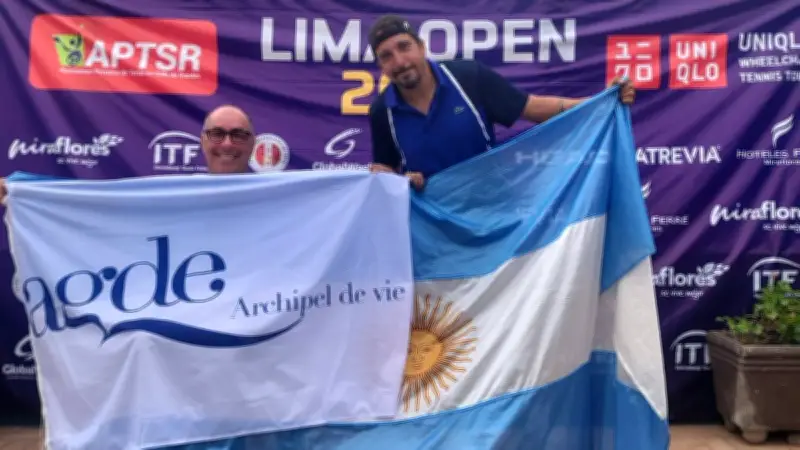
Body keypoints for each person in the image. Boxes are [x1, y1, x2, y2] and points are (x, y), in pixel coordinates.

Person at [366, 14, 636, 190]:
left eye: (404, 47)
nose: (399, 62)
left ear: (421, 47)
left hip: (491, 212)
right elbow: (388, 172)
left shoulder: (468, 77)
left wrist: (601, 102)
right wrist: (399, 181)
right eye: (386, 56)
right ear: (380, 65)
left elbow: (533, 107)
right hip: (430, 229)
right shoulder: (381, 112)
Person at [0, 104, 257, 201]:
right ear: (202, 141)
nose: (226, 144)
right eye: (217, 134)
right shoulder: (178, 195)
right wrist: (20, 189)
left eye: (238, 135)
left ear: (253, 143)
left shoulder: (280, 195)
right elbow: (94, 201)